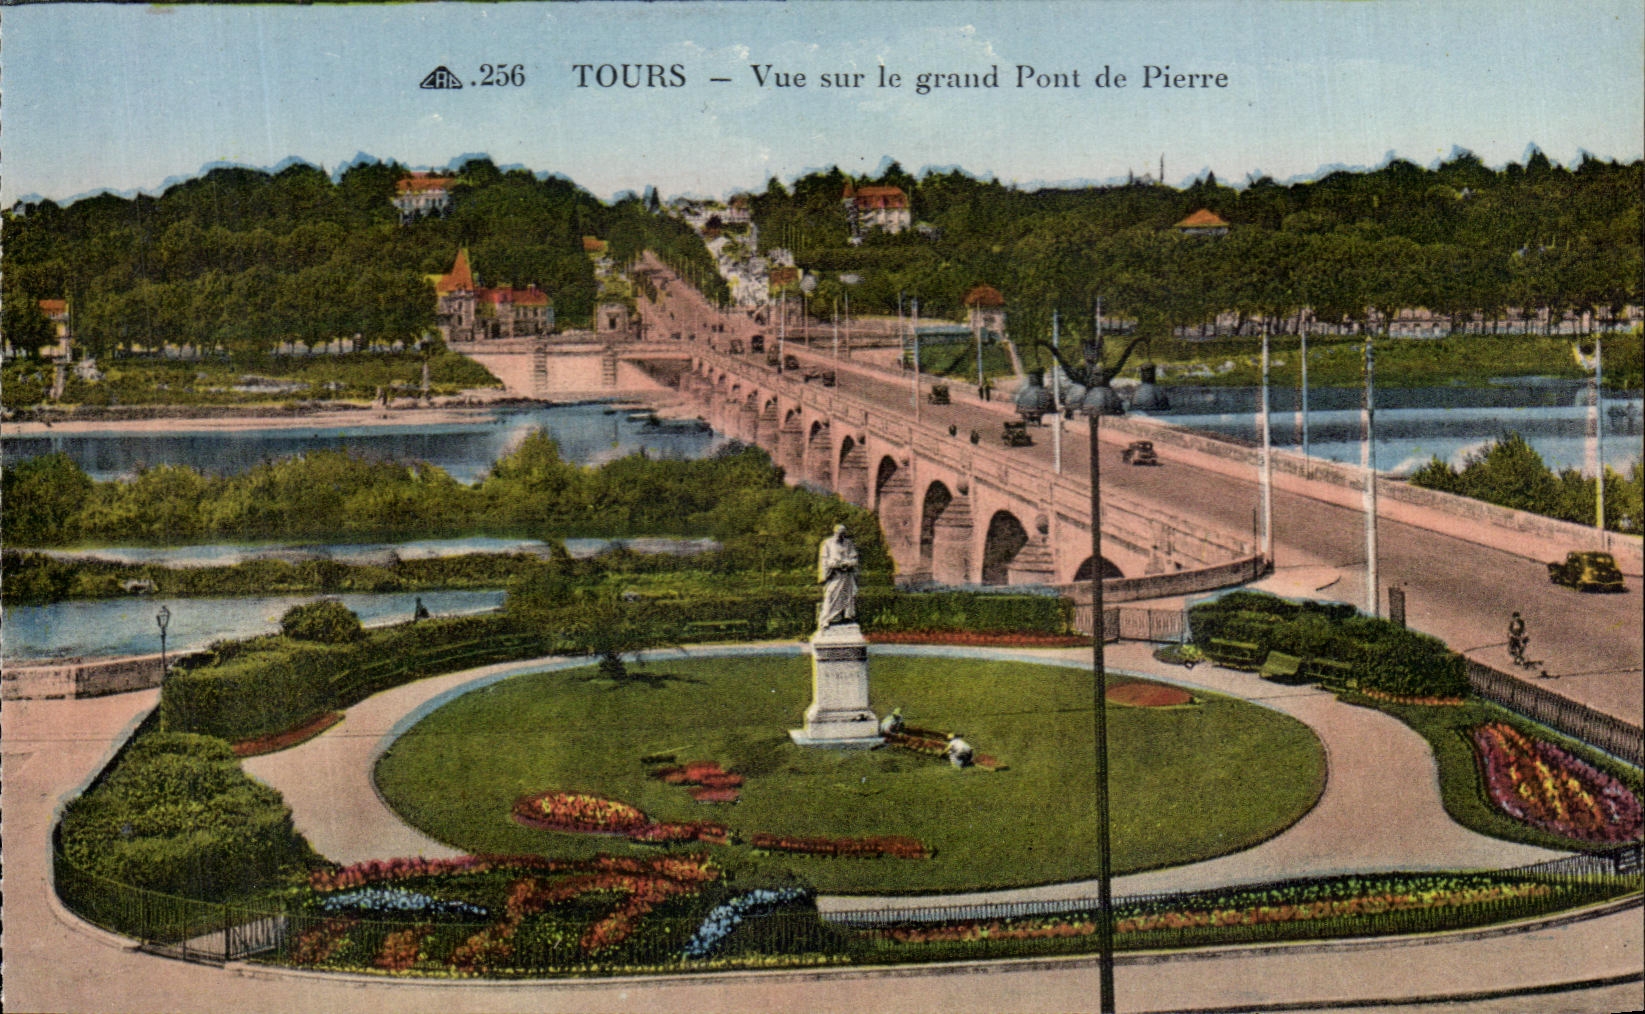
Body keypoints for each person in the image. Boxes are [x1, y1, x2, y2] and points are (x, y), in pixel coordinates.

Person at [817, 524, 859, 628]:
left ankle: (845, 618)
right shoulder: (827, 543)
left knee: (847, 597)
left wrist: (847, 563)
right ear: (835, 533)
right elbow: (824, 560)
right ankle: (827, 619)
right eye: (839, 533)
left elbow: (854, 559)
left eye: (843, 534)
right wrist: (834, 564)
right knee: (830, 595)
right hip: (834, 575)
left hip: (846, 576)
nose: (841, 536)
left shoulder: (849, 544)